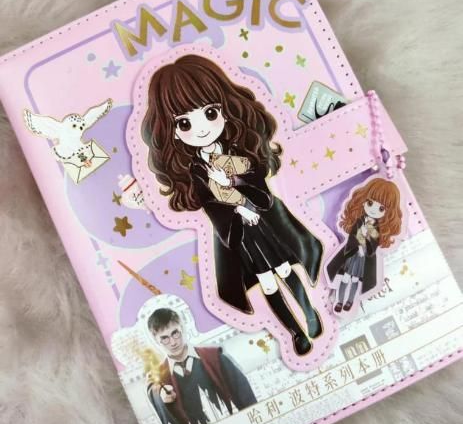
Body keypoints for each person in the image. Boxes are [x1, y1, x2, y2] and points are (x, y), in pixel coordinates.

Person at [141, 54, 324, 356]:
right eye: (185, 122)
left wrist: (231, 179)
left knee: (284, 268)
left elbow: (255, 175)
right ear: (173, 131)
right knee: (266, 282)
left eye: (210, 113)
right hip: (240, 234)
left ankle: (311, 315)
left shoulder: (237, 150)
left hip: (264, 222)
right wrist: (237, 205)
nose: (201, 128)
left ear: (224, 111)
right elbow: (211, 206)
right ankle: (296, 333)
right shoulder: (196, 171)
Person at [146, 308, 257, 424]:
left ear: (182, 328)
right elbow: (153, 390)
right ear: (156, 341)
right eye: (164, 338)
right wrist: (161, 395)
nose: (173, 342)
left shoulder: (214, 357)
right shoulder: (159, 376)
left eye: (175, 333)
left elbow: (246, 395)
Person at [326, 178, 402, 312]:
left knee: (355, 280)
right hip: (351, 254)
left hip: (364, 259)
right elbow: (351, 238)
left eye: (381, 208)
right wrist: (359, 237)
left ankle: (350, 302)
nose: (373, 210)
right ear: (363, 201)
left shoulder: (376, 229)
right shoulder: (359, 221)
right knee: (345, 278)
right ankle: (339, 301)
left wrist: (367, 238)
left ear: (387, 212)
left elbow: (373, 247)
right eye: (370, 203)